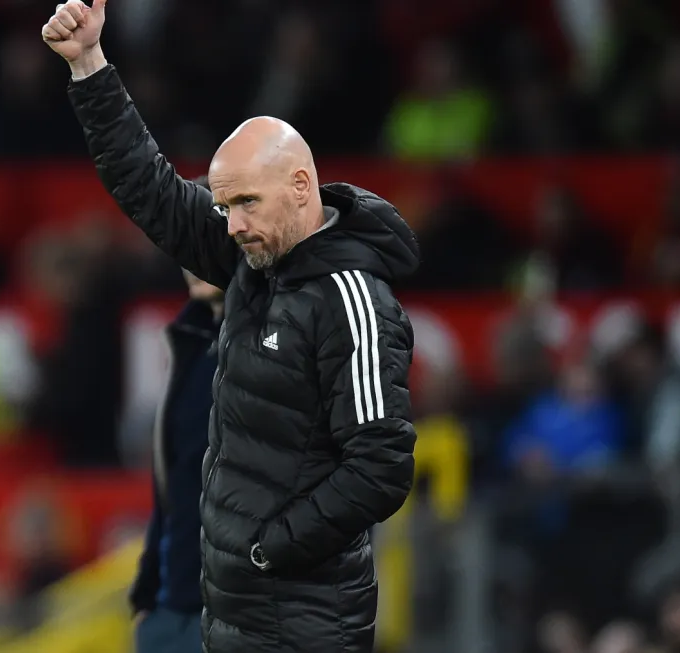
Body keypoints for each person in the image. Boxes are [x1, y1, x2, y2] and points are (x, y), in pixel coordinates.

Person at [42, 3, 421, 652]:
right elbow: (150, 190)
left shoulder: (349, 298)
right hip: (237, 617)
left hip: (304, 627)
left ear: (301, 187)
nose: (232, 223)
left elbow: (381, 466)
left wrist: (267, 550)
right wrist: (88, 64)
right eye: (222, 206)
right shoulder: (254, 259)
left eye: (245, 202)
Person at [132, 268, 223, 653]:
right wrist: (150, 592)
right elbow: (175, 484)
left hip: (247, 615)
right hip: (173, 610)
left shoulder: (289, 341)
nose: (192, 260)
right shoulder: (191, 341)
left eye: (208, 236)